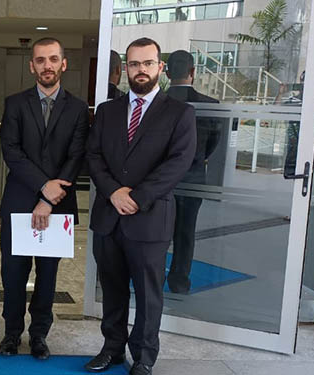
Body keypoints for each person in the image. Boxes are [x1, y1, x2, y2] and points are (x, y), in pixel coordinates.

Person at [85, 38, 196, 375]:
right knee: (113, 289)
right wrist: (113, 192)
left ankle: (144, 357)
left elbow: (178, 163)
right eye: (134, 64)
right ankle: (113, 349)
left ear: (160, 68)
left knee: (148, 295)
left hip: (148, 218)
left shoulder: (180, 113)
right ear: (126, 69)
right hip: (109, 217)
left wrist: (136, 197)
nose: (141, 70)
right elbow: (93, 155)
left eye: (148, 63)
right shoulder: (108, 110)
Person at [0, 37, 89, 360]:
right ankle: (11, 334)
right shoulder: (15, 104)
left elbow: (76, 156)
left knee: (47, 277)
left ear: (63, 64)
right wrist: (42, 188)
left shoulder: (78, 109)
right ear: (31, 65)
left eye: (53, 59)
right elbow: (11, 151)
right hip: (19, 204)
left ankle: (39, 336)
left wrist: (50, 199)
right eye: (40, 60)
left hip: (58, 208)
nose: (46, 65)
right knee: (13, 275)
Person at [164, 50, 221, 294]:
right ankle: (179, 282)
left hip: (160, 181)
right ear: (193, 72)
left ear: (166, 72)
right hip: (194, 178)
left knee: (158, 233)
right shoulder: (210, 106)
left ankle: (152, 277)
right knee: (186, 234)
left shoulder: (157, 103)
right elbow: (213, 145)